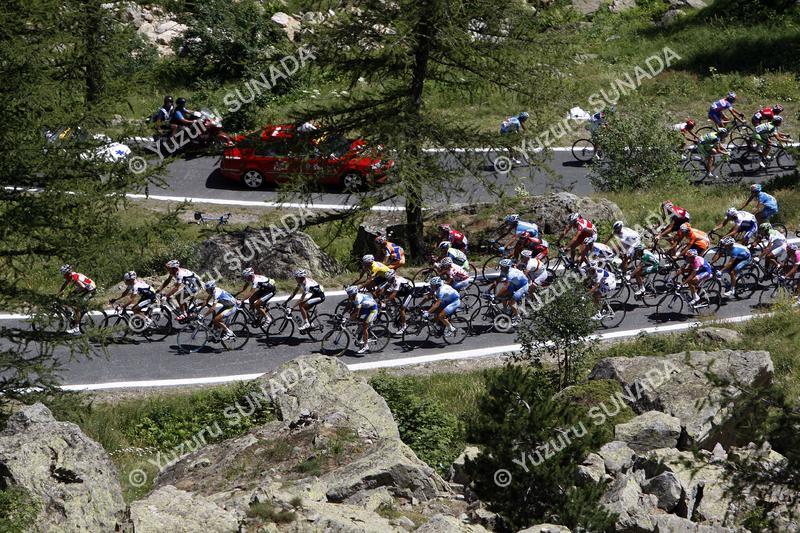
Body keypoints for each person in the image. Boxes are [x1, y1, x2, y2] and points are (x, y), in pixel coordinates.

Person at [57, 264, 97, 335]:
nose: (63, 276)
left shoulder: (74, 277)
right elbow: (65, 284)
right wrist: (59, 292)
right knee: (68, 298)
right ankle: (71, 312)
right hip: (87, 288)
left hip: (89, 289)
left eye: (64, 274)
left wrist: (76, 295)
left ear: (67, 273)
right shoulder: (71, 275)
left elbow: (83, 287)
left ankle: (76, 327)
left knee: (76, 307)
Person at [489, 259, 528, 325]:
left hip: (523, 286)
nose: (500, 267)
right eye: (500, 266)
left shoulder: (511, 274)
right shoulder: (504, 270)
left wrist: (496, 296)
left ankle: (518, 317)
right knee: (503, 295)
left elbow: (505, 287)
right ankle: (505, 310)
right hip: (516, 282)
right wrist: (489, 290)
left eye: (502, 266)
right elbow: (498, 280)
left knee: (511, 302)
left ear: (506, 267)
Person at [374, 270, 413, 334]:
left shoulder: (397, 281)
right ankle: (395, 306)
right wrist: (379, 297)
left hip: (409, 292)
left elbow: (394, 294)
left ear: (393, 277)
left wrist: (385, 301)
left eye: (390, 279)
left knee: (401, 309)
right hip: (402, 290)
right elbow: (384, 289)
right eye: (388, 279)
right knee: (388, 293)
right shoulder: (390, 279)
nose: (389, 280)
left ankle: (404, 327)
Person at [344, 285, 378, 354]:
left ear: (353, 294)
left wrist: (348, 319)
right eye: (348, 295)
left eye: (350, 295)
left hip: (372, 310)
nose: (349, 296)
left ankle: (366, 346)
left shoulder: (358, 299)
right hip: (366, 307)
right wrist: (343, 314)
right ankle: (361, 328)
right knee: (355, 318)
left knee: (365, 326)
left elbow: (356, 313)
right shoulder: (353, 297)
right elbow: (348, 306)